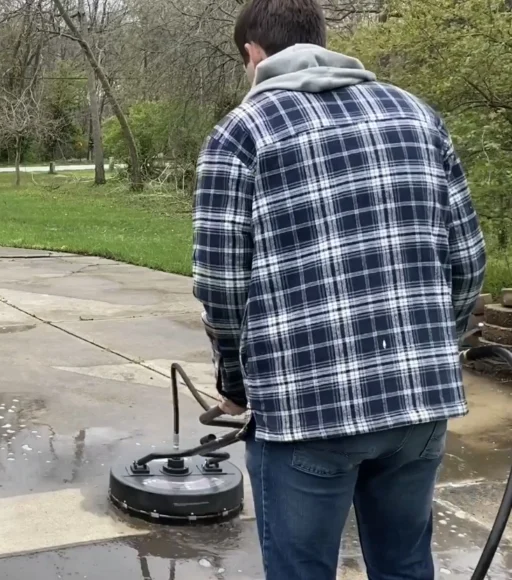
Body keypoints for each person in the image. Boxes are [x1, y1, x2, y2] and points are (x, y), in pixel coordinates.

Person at [191, 0, 488, 578]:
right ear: (323, 39)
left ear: (253, 55)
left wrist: (235, 383)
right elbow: (468, 260)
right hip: (418, 403)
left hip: (306, 410)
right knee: (405, 565)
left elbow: (222, 284)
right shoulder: (416, 114)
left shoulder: (243, 132)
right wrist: (436, 347)